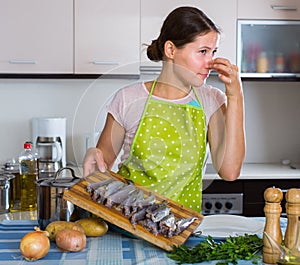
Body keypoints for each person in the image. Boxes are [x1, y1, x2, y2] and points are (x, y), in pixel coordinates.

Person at [83, 6, 245, 213]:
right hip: (130, 224)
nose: (210, 62)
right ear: (171, 50)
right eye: (202, 52)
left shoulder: (211, 100)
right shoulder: (128, 99)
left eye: (213, 52)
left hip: (181, 231)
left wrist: (236, 96)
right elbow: (100, 170)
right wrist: (91, 153)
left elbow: (229, 171)